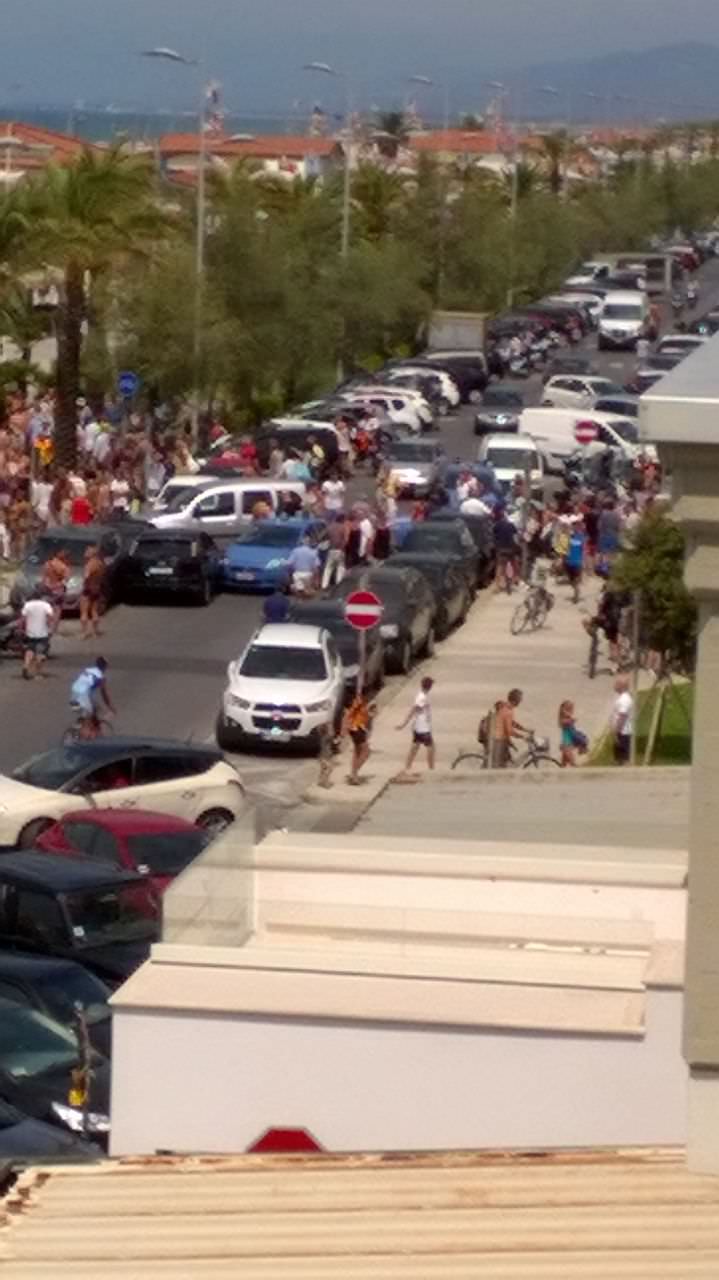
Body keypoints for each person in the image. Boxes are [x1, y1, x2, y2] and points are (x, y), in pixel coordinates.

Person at [396, 676, 435, 777]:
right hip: (423, 727)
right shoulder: (422, 697)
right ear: (430, 686)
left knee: (415, 747)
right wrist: (403, 724)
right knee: (430, 747)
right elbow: (413, 710)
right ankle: (431, 769)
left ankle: (407, 767)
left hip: (418, 726)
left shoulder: (422, 695)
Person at [69, 657, 115, 738]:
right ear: (104, 667)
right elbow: (104, 695)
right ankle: (83, 739)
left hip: (74, 693)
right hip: (82, 696)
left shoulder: (88, 670)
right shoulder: (101, 677)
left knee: (94, 708)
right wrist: (110, 706)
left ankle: (81, 725)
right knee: (88, 717)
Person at [491, 687, 530, 768]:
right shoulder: (508, 711)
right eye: (520, 699)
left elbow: (512, 723)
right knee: (505, 765)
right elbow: (509, 731)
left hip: (500, 739)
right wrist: (523, 736)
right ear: (516, 700)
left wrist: (525, 729)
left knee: (508, 762)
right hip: (499, 740)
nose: (521, 702)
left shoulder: (506, 708)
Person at [343, 690, 376, 785]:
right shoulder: (359, 701)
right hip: (356, 728)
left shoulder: (367, 703)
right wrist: (344, 729)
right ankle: (354, 773)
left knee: (357, 752)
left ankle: (353, 774)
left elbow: (369, 718)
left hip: (359, 729)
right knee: (366, 752)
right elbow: (348, 715)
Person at [20, 591, 54, 680]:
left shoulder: (27, 605)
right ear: (41, 597)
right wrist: (50, 627)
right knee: (40, 654)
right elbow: (50, 616)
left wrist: (22, 629)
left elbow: (23, 618)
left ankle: (26, 666)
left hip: (30, 632)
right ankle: (37, 674)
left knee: (29, 651)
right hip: (43, 633)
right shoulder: (45, 605)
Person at [79, 545, 106, 640]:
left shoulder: (90, 564)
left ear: (92, 554)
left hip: (88, 589)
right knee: (94, 611)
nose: (85, 553)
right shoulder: (100, 563)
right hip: (97, 588)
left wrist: (84, 582)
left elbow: (86, 576)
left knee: (84, 612)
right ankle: (95, 631)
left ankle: (84, 632)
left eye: (87, 551)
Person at [611, 675, 634, 765]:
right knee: (618, 757)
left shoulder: (624, 699)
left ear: (622, 686)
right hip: (621, 731)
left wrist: (616, 731)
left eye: (616, 683)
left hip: (623, 732)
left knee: (622, 757)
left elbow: (622, 716)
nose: (614, 685)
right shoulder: (622, 698)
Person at [322, 514, 347, 590]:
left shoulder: (330, 527)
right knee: (340, 567)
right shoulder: (342, 527)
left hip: (331, 550)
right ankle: (338, 585)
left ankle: (324, 585)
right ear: (342, 520)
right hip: (340, 550)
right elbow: (345, 539)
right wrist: (343, 547)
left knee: (328, 568)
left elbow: (322, 536)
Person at [564, 522, 585, 604]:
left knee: (576, 580)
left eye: (576, 527)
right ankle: (576, 591)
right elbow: (566, 548)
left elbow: (583, 550)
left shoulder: (581, 537)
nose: (575, 529)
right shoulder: (569, 537)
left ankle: (576, 595)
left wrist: (583, 561)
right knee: (571, 581)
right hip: (569, 561)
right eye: (573, 527)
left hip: (577, 562)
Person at [558, 699, 578, 768]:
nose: (572, 710)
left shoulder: (568, 717)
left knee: (563, 765)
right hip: (566, 744)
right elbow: (562, 723)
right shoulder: (564, 719)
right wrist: (570, 719)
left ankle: (560, 778)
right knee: (574, 764)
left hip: (568, 743)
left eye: (572, 708)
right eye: (570, 708)